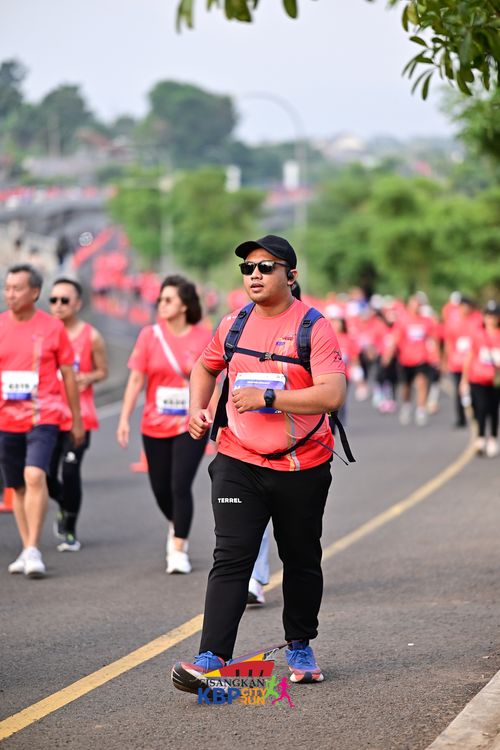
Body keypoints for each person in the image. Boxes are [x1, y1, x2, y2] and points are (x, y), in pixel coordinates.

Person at [172, 235, 346, 694]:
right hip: (238, 459)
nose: (254, 274)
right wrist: (197, 409)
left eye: (266, 267)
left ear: (291, 275)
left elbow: (332, 394)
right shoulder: (233, 324)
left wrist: (269, 397)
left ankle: (299, 644)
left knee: (301, 557)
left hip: (302, 465)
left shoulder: (314, 327)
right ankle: (212, 657)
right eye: (248, 267)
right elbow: (204, 367)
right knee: (231, 556)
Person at [117, 275, 212, 574]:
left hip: (191, 424)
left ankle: (179, 548)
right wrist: (124, 418)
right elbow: (136, 379)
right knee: (161, 489)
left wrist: (213, 418)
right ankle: (176, 523)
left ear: (184, 305)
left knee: (179, 484)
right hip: (154, 424)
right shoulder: (149, 335)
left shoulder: (202, 337)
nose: (161, 304)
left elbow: (214, 380)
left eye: (168, 299)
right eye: (160, 299)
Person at [0, 264, 84, 578]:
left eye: (17, 288)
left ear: (34, 292)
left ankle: (34, 549)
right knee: (18, 486)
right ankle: (26, 547)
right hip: (6, 419)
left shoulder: (52, 328)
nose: (10, 294)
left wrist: (76, 419)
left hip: (43, 416)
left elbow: (68, 375)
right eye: (7, 288)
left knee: (35, 475)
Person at [46, 277, 108, 551]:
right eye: (53, 300)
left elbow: (103, 371)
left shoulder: (91, 336)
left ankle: (70, 528)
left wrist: (87, 377)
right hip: (47, 414)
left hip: (79, 415)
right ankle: (63, 502)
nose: (58, 305)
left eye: (64, 300)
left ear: (77, 304)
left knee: (70, 471)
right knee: (44, 474)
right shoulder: (43, 334)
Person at [460, 300, 500, 457]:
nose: (491, 319)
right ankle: (481, 437)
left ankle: (493, 438)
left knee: (493, 409)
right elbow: (470, 356)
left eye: (494, 316)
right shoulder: (478, 335)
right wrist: (464, 379)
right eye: (488, 315)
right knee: (481, 407)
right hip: (478, 378)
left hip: (495, 379)